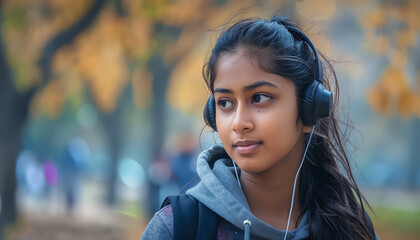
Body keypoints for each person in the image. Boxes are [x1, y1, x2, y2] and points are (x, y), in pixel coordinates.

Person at [141, 16, 378, 240]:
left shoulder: (351, 227)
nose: (239, 123)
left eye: (260, 98)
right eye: (225, 103)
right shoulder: (176, 227)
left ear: (309, 109)